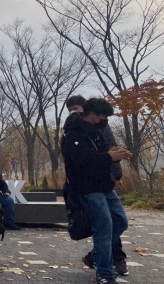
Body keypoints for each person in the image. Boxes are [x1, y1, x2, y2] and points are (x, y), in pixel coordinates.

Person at [62, 98, 131, 284]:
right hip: (88, 188)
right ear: (92, 115)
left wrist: (114, 155)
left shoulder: (97, 131)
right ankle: (105, 273)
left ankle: (96, 256)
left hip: (105, 184)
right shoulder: (73, 135)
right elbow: (82, 162)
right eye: (102, 117)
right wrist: (109, 157)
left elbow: (101, 154)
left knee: (121, 222)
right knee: (103, 228)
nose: (104, 120)